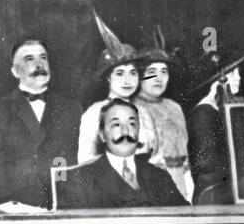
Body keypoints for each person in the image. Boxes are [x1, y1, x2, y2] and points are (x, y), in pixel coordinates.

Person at [0, 38, 81, 208]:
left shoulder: (72, 109)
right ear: (15, 71)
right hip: (16, 210)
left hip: (64, 206)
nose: (39, 64)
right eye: (29, 59)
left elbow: (78, 162)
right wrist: (12, 205)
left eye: (43, 58)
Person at [58, 99, 188, 209]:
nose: (125, 131)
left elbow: (186, 218)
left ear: (138, 131)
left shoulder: (159, 175)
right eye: (116, 124)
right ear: (102, 135)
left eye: (131, 124)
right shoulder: (80, 180)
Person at [76, 42, 153, 163]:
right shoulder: (94, 113)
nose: (127, 80)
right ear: (108, 77)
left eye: (133, 73)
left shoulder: (143, 113)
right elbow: (86, 160)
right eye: (120, 73)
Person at [187, 49, 244, 204]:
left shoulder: (222, 109)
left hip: (227, 191)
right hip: (212, 196)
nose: (238, 78)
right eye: (233, 73)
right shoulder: (203, 113)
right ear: (218, 80)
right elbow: (206, 163)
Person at [134, 47, 192, 201]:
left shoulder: (174, 107)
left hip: (182, 185)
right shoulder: (131, 110)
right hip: (152, 189)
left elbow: (185, 155)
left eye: (164, 71)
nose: (159, 77)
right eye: (152, 71)